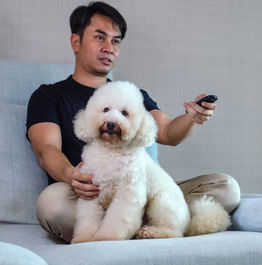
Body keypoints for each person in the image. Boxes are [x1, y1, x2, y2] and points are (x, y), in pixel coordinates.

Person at [26, 1, 240, 243]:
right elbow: (47, 150)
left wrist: (192, 116)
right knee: (51, 205)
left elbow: (168, 132)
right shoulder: (49, 96)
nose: (109, 48)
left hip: (141, 189)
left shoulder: (134, 96)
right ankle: (139, 225)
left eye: (115, 41)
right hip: (85, 193)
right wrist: (70, 174)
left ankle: (155, 219)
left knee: (226, 187)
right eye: (100, 38)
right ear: (76, 42)